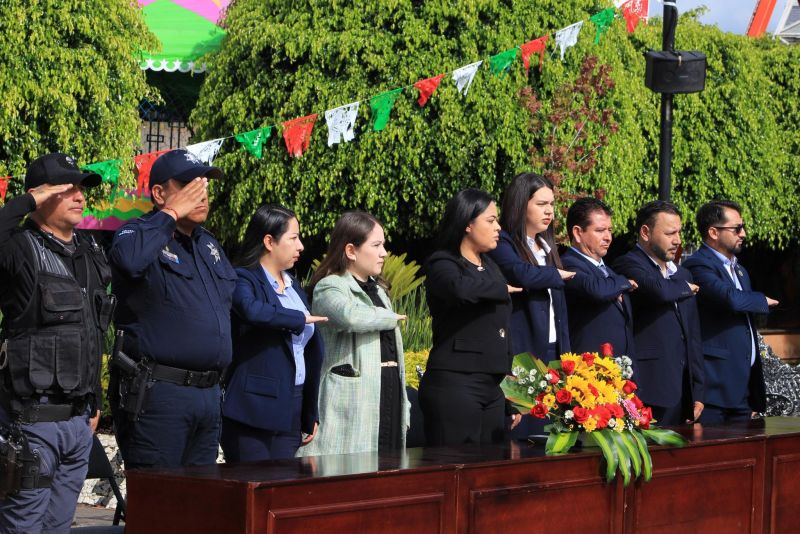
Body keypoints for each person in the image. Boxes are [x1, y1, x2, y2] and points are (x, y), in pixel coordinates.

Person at [0, 153, 113, 532]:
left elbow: (92, 332)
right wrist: (27, 201)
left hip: (78, 423)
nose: (80, 196)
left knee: (59, 529)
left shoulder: (89, 251)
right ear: (41, 194)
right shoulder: (19, 247)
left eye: (81, 188)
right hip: (33, 423)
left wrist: (95, 400)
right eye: (67, 189)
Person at [109, 148, 236, 469]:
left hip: (207, 395)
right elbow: (130, 261)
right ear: (159, 193)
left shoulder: (208, 244)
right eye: (189, 185)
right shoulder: (137, 232)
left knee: (200, 496)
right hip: (161, 395)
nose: (201, 193)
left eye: (204, 184)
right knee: (160, 495)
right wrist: (171, 214)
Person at [297, 212, 410, 456]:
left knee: (388, 467)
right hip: (351, 403)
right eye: (376, 245)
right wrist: (391, 317)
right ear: (351, 250)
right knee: (351, 471)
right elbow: (349, 316)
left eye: (383, 245)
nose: (384, 253)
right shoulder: (329, 286)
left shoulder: (379, 290)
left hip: (387, 392)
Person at [220, 204, 326, 461]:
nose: (301, 246)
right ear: (269, 241)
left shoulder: (293, 285)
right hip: (254, 410)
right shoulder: (243, 278)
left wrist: (309, 411)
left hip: (293, 405)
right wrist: (298, 318)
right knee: (254, 482)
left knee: (285, 483)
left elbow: (305, 351)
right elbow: (252, 310)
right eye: (293, 238)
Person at [419, 189, 522, 446]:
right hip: (456, 382)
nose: (498, 227)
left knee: (490, 465)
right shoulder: (443, 263)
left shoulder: (491, 266)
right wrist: (501, 289)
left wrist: (511, 394)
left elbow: (502, 328)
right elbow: (459, 289)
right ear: (467, 224)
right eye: (491, 220)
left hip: (493, 387)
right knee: (458, 464)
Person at [683, 200, 778, 423]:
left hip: (741, 391)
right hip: (713, 392)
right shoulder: (698, 265)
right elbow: (730, 299)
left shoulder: (740, 270)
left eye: (742, 227)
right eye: (736, 228)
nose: (743, 234)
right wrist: (761, 300)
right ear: (713, 232)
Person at [612, 201, 705, 426]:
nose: (678, 240)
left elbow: (692, 335)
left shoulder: (682, 274)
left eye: (679, 232)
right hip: (647, 387)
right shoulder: (627, 264)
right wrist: (684, 288)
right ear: (645, 232)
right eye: (670, 233)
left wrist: (698, 389)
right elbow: (658, 291)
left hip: (684, 390)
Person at [488, 173, 574, 364]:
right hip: (522, 353)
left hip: (556, 351)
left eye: (552, 204)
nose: (549, 211)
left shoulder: (547, 248)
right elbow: (521, 274)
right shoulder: (502, 243)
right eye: (541, 204)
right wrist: (556, 274)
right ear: (520, 205)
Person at [561, 197, 637, 356]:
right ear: (578, 233)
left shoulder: (609, 272)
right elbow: (597, 289)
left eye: (610, 230)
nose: (608, 237)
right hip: (588, 366)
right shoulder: (567, 265)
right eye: (600, 230)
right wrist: (624, 282)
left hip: (619, 366)